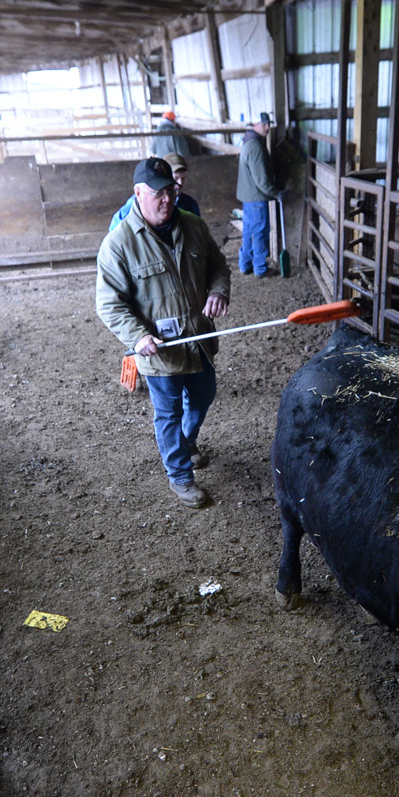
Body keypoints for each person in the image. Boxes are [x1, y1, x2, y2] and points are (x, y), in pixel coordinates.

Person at [96, 158, 231, 509]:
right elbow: (109, 304)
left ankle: (188, 440)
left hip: (197, 340)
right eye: (157, 193)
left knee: (203, 397)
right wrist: (138, 337)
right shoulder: (118, 244)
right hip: (158, 351)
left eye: (170, 191)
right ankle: (181, 477)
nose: (166, 200)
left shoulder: (195, 226)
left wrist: (218, 291)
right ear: (138, 193)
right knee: (167, 412)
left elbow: (217, 264)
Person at [108, 152, 201, 232]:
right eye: (175, 178)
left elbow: (197, 230)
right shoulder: (135, 205)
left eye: (183, 179)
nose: (180, 183)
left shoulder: (190, 204)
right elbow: (115, 230)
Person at [236, 111, 280, 277]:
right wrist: (277, 193)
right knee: (260, 232)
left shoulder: (248, 142)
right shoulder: (255, 147)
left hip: (248, 197)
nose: (267, 127)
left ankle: (245, 264)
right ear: (255, 124)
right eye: (264, 124)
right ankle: (260, 268)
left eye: (269, 124)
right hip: (256, 198)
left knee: (248, 231)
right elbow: (262, 180)